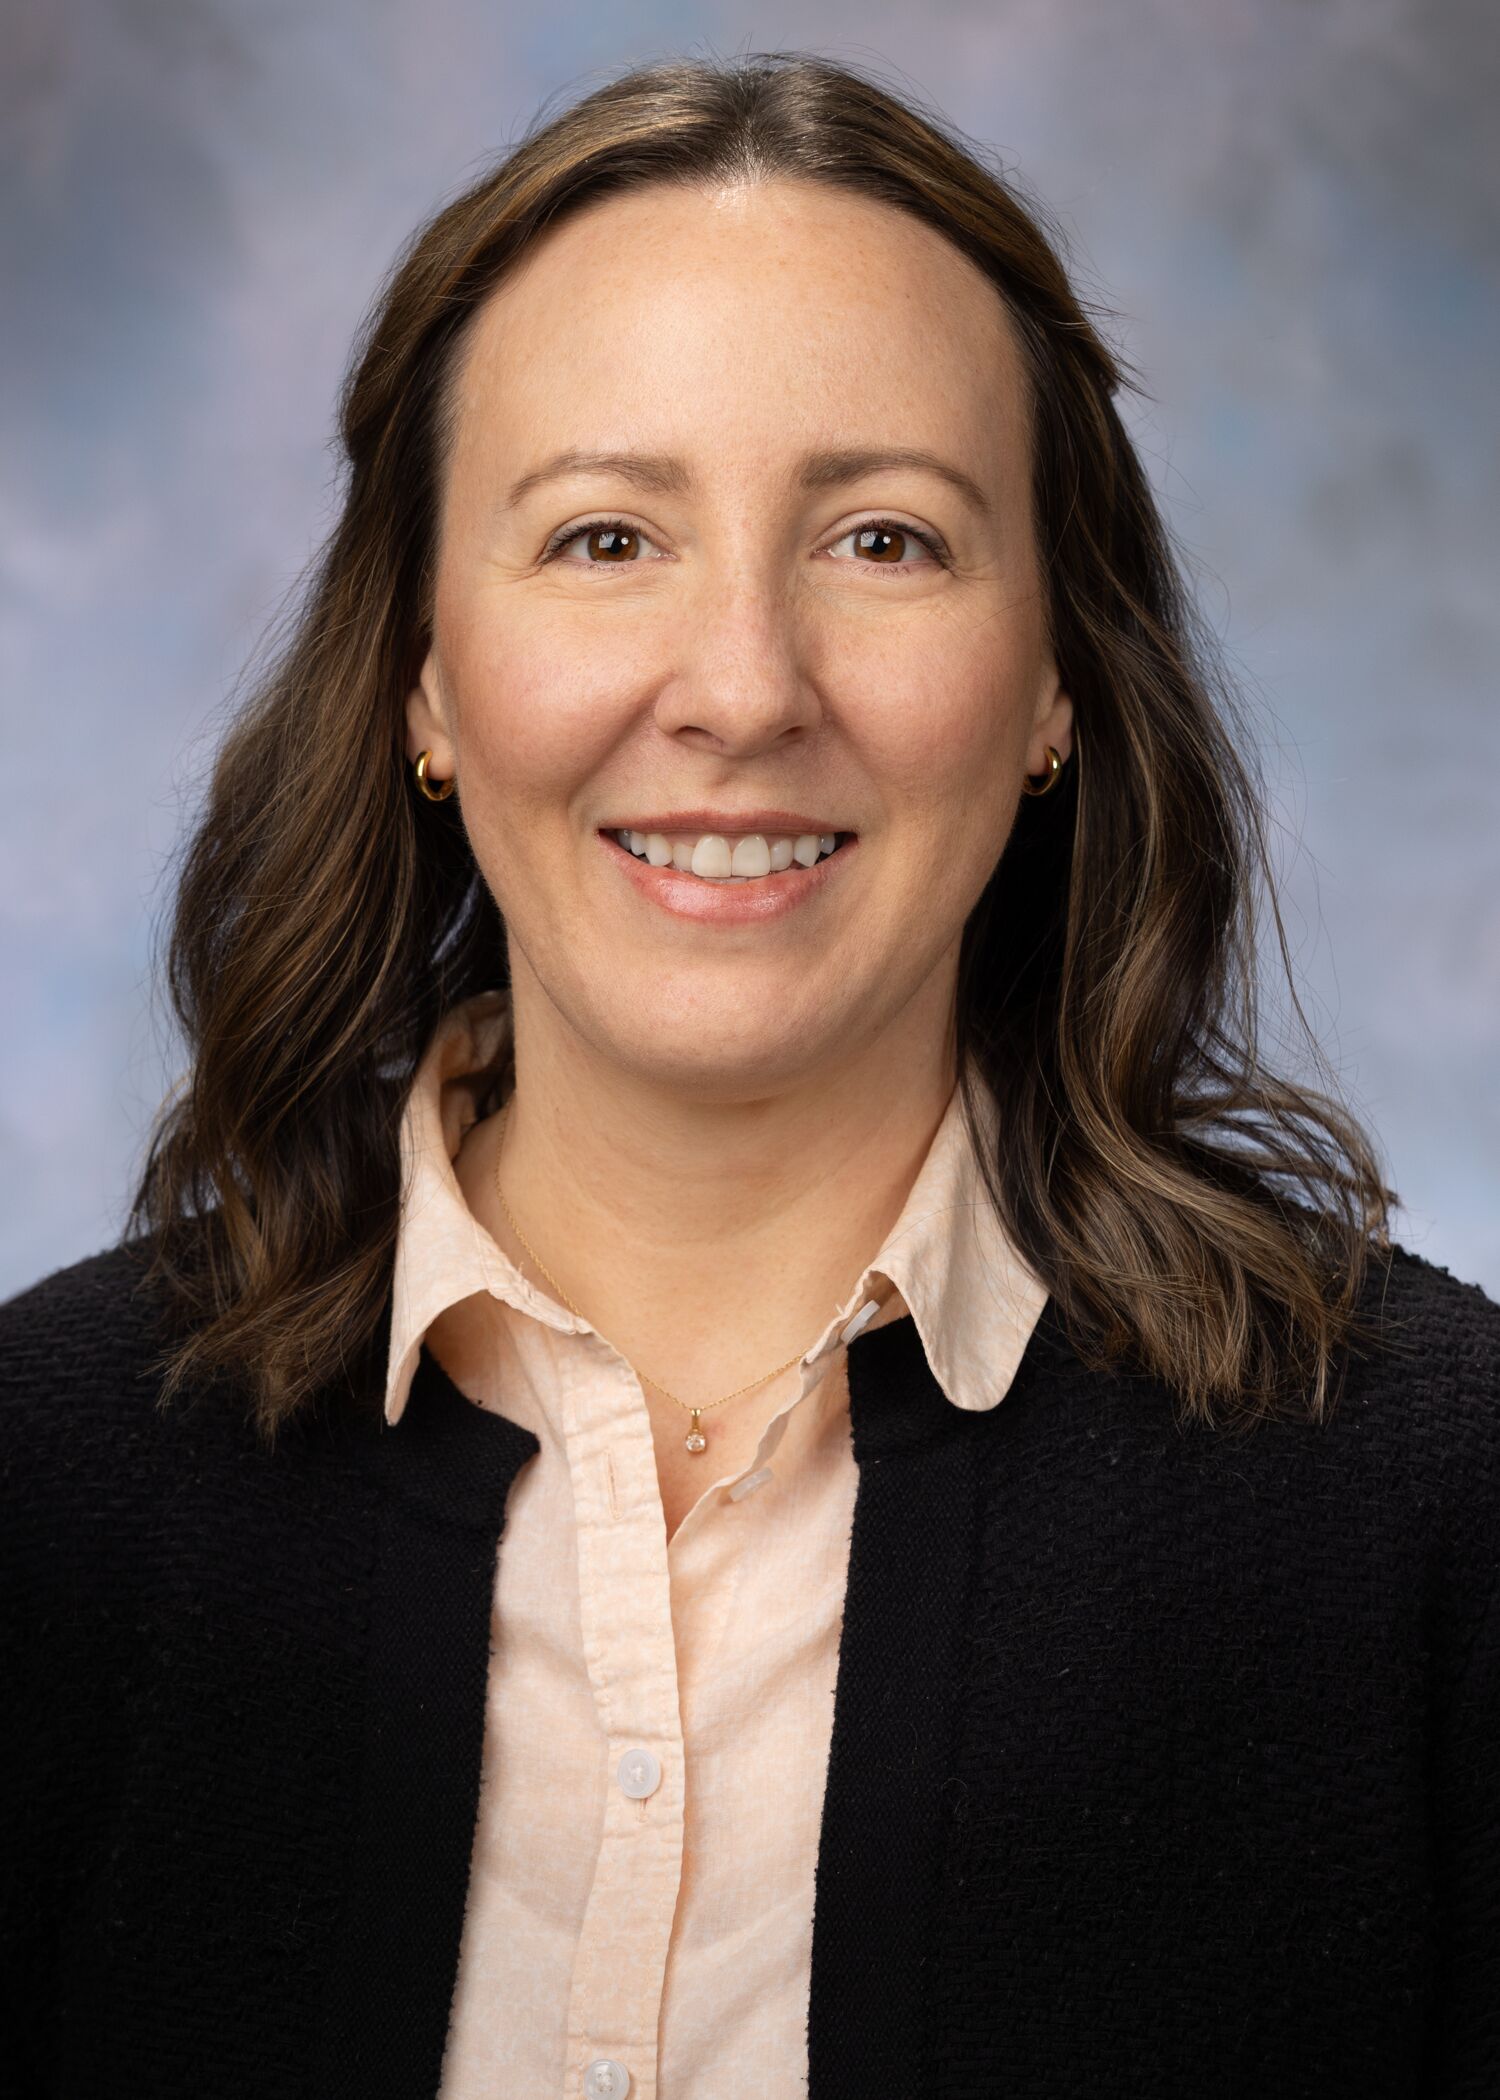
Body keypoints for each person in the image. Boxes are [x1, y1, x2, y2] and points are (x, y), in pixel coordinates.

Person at [2, 49, 1496, 2100]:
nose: (740, 692)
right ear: (425, 674)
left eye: (883, 540)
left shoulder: (1435, 1505)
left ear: (1058, 677)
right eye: (605, 538)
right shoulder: (40, 1490)